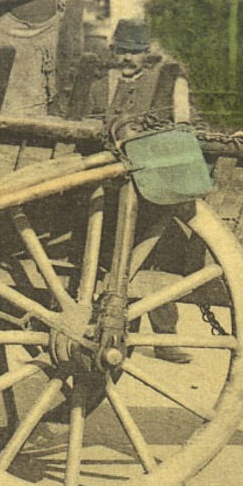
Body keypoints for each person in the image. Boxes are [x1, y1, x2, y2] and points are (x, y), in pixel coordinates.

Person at [85, 19, 195, 363]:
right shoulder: (99, 83)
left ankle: (164, 338)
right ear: (113, 51)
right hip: (103, 181)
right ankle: (110, 330)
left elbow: (182, 126)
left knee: (157, 252)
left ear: (147, 53)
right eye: (122, 51)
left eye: (135, 52)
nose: (128, 59)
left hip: (148, 179)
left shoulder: (166, 81)